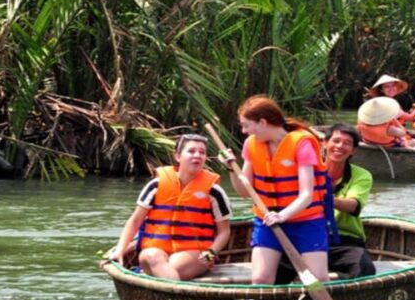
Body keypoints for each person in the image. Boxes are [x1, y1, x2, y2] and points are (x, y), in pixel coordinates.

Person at [221, 95, 330, 285]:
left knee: (318, 279)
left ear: (262, 122)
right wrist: (231, 168)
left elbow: (307, 195)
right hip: (267, 221)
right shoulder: (251, 145)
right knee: (261, 278)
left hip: (306, 220)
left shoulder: (301, 143)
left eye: (246, 125)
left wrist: (282, 216)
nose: (244, 131)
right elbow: (245, 192)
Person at [110, 134, 232, 280]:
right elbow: (135, 221)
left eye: (202, 152)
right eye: (191, 151)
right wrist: (120, 250)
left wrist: (212, 252)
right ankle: (176, 293)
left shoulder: (214, 191)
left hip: (195, 252)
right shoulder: (156, 185)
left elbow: (224, 231)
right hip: (156, 250)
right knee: (152, 256)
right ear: (178, 157)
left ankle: (172, 293)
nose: (197, 155)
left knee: (172, 266)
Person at [275, 124, 376, 284]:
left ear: (353, 150)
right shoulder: (307, 169)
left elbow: (354, 206)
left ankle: (339, 298)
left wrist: (324, 197)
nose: (340, 146)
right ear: (325, 143)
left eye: (347, 143)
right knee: (274, 269)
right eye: (335, 141)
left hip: (343, 241)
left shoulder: (361, 175)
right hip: (306, 237)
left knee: (364, 268)